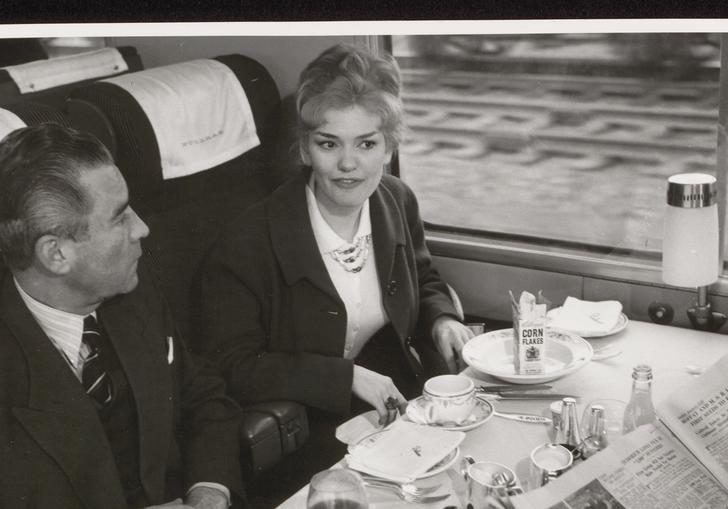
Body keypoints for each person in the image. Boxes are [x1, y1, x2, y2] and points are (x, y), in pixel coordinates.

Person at [198, 43, 474, 476]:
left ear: (388, 149)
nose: (348, 164)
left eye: (366, 144)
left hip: (397, 411)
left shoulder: (397, 201)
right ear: (305, 150)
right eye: (329, 144)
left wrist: (442, 319)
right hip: (309, 434)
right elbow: (231, 367)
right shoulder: (247, 240)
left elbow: (423, 276)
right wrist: (345, 377)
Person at [0, 124, 245, 509]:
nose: (142, 228)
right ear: (56, 255)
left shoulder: (130, 291)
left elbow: (201, 396)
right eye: (119, 218)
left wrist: (209, 490)